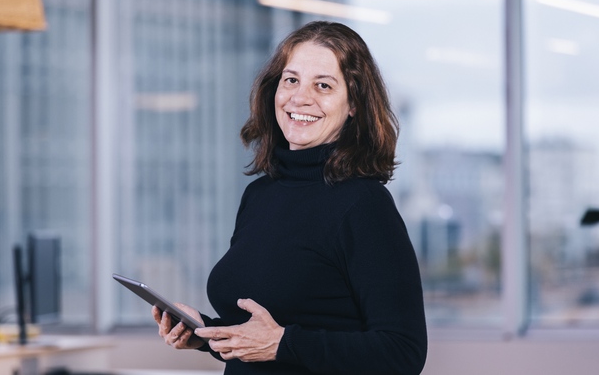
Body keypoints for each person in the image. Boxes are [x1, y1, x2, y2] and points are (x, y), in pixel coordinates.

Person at [152, 20, 427, 375]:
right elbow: (261, 339)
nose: (300, 97)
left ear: (354, 104)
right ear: (275, 90)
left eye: (323, 85)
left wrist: (284, 343)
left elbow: (403, 352)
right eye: (291, 80)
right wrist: (204, 333)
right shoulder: (260, 195)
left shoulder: (365, 205)